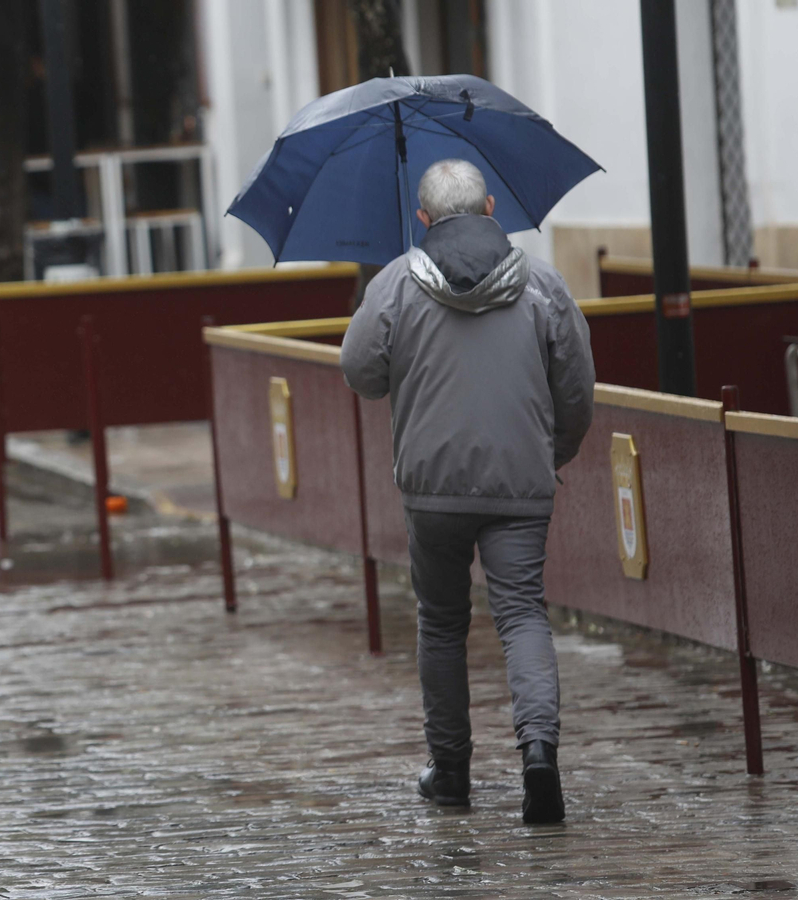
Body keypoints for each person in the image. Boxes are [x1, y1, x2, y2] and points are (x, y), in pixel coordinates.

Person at [340, 158, 595, 825]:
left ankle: (450, 772)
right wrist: (553, 453)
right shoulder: (542, 282)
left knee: (442, 622)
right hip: (521, 482)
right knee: (522, 616)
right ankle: (539, 755)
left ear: (423, 219)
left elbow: (361, 374)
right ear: (490, 210)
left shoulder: (397, 282)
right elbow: (576, 387)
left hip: (432, 488)